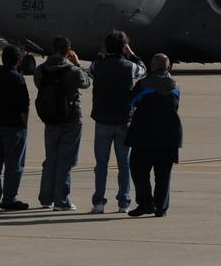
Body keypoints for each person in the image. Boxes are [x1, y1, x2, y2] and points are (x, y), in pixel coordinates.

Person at [33, 35, 91, 211]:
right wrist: (77, 63)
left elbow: (39, 85)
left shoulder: (41, 70)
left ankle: (46, 198)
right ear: (68, 51)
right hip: (71, 118)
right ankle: (61, 200)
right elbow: (86, 83)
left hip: (50, 118)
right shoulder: (72, 71)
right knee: (65, 160)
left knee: (51, 158)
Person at [89, 30, 144, 213]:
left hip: (102, 119)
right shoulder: (129, 66)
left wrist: (101, 54)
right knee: (124, 164)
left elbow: (90, 71)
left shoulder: (98, 65)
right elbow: (143, 69)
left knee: (101, 165)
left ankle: (98, 202)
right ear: (123, 48)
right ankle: (123, 202)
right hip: (123, 120)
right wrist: (132, 54)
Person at [125, 53, 183, 218]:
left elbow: (131, 102)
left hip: (144, 134)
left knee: (139, 170)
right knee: (163, 174)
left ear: (152, 66)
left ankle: (145, 203)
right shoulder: (175, 85)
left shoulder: (143, 84)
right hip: (169, 135)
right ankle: (161, 207)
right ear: (168, 66)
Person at [0, 45, 31, 211]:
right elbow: (24, 105)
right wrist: (24, 125)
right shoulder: (18, 79)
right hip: (14, 127)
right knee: (14, 165)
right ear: (18, 60)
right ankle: (9, 198)